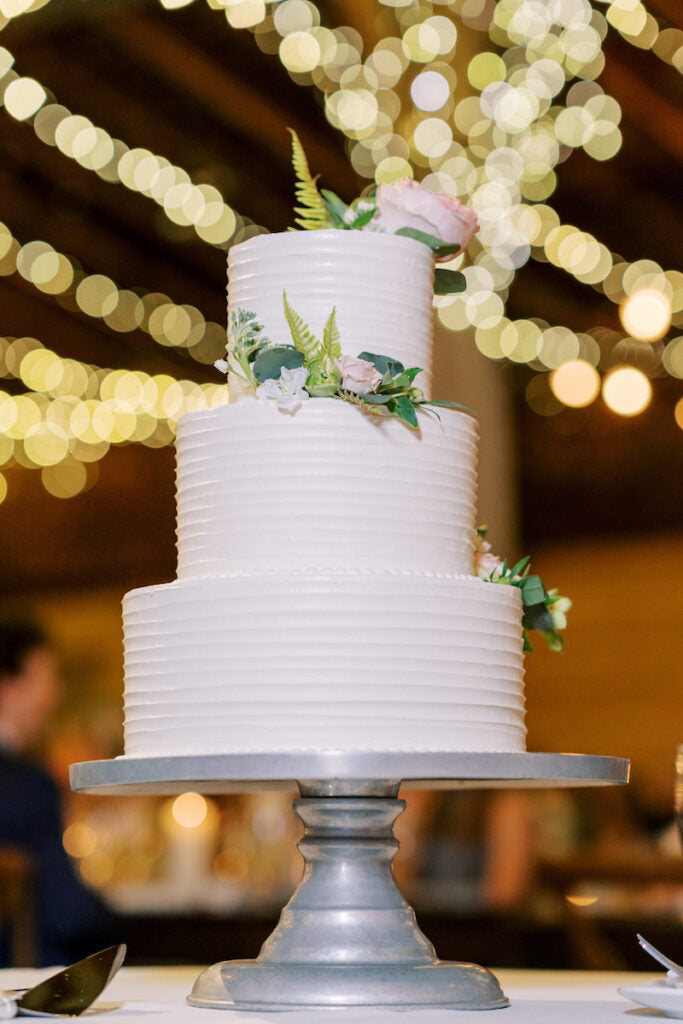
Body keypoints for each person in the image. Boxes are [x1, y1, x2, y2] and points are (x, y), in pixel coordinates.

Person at [0, 620, 117, 966]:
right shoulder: (30, 786)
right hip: (28, 976)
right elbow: (69, 915)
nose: (54, 696)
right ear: (8, 686)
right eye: (45, 679)